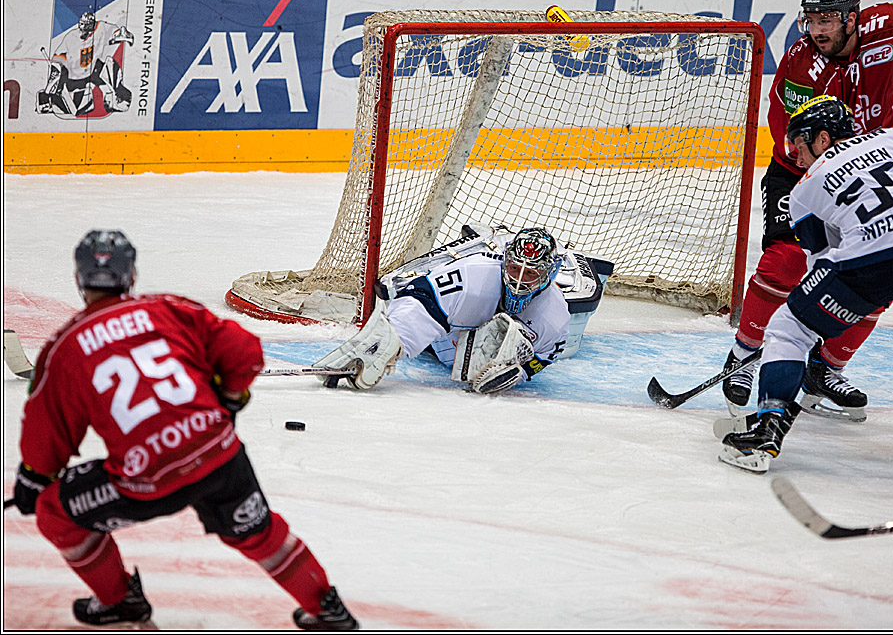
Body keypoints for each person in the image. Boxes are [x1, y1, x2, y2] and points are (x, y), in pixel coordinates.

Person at [12, 230, 358, 630]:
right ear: (133, 275)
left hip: (146, 477)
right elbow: (245, 351)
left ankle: (121, 604)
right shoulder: (169, 309)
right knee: (259, 531)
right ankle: (327, 609)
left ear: (77, 278)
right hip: (218, 454)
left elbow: (46, 440)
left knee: (56, 510)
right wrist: (228, 401)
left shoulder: (65, 347)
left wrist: (34, 481)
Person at [722, 0, 893, 421]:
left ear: (852, 17)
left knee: (878, 276)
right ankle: (743, 355)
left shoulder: (891, 24)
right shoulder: (802, 67)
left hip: (874, 173)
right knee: (786, 259)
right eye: (811, 19)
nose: (817, 29)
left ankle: (825, 368)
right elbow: (794, 146)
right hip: (806, 170)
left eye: (828, 19)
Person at [719, 96, 893, 483]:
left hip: (873, 261)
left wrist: (818, 316)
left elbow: (822, 260)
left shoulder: (805, 188)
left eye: (799, 146)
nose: (796, 157)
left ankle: (767, 431)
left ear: (822, 139)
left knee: (790, 327)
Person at [315, 227, 570, 394]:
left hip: (467, 357)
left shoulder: (555, 317)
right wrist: (390, 341)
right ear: (505, 261)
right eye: (515, 269)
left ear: (550, 272)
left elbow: (546, 356)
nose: (519, 280)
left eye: (531, 273)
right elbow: (420, 296)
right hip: (437, 341)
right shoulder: (473, 274)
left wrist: (522, 372)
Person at [37, 11, 134, 117]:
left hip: (94, 71)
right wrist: (54, 78)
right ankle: (47, 100)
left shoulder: (102, 28)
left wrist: (124, 35)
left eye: (86, 27)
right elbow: (58, 59)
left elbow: (117, 32)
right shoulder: (71, 37)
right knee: (78, 108)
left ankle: (118, 97)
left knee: (110, 64)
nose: (83, 31)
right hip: (75, 77)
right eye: (81, 26)